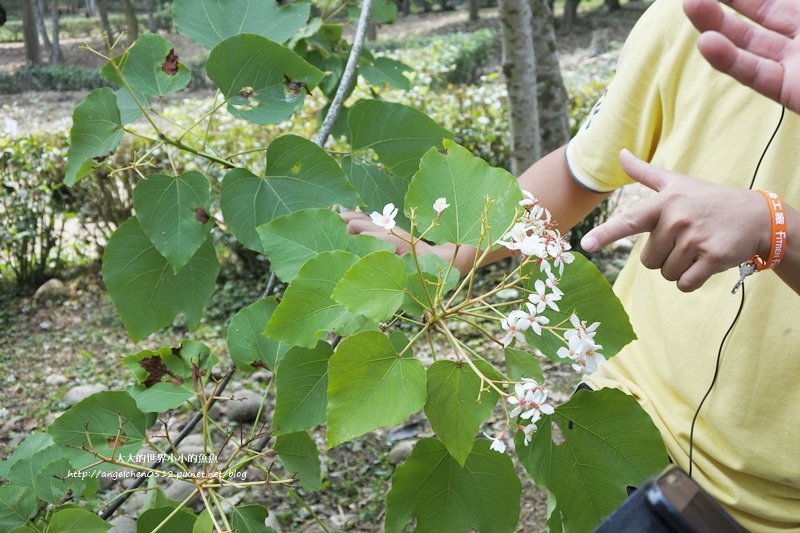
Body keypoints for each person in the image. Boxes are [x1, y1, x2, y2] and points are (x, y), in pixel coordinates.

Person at [344, 0, 800, 528]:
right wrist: (453, 255)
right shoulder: (688, 17)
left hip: (776, 508)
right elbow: (579, 172)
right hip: (629, 416)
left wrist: (777, 229)